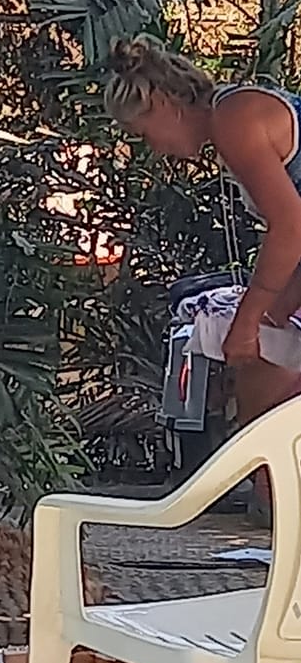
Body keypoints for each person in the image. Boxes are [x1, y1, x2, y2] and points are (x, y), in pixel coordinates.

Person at [105, 34, 301, 438]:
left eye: (143, 134)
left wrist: (248, 322)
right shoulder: (232, 116)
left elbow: (290, 229)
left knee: (263, 413)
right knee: (261, 394)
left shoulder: (234, 121)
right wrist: (270, 314)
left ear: (163, 104)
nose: (154, 149)